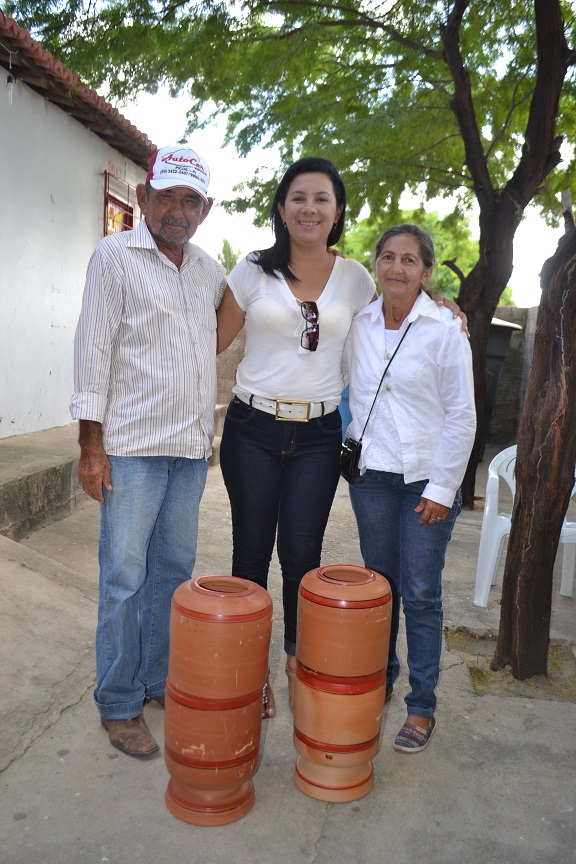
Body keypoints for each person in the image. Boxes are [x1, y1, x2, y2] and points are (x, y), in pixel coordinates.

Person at [215, 160, 462, 716]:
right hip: (252, 429)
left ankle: (296, 663)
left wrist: (445, 304)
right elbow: (210, 339)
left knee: (302, 555)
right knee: (250, 553)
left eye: (321, 198)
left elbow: (398, 312)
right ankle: (250, 674)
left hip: (321, 435)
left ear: (337, 211)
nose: (309, 208)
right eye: (297, 197)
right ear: (281, 208)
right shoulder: (252, 269)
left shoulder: (356, 278)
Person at [70, 145, 226, 757]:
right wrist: (91, 446)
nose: (177, 211)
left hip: (188, 451)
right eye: (166, 197)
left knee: (172, 573)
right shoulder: (114, 258)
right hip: (130, 448)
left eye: (191, 201)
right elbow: (92, 356)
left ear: (205, 209)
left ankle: (158, 679)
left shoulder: (210, 271)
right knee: (123, 578)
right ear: (143, 197)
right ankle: (117, 702)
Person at [346, 223, 476, 753]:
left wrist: (443, 488)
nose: (396, 267)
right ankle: (382, 679)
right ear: (376, 264)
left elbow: (462, 415)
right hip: (372, 477)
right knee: (381, 591)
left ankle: (422, 706)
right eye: (388, 257)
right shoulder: (359, 323)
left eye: (409, 260)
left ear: (426, 272)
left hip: (426, 480)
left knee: (420, 594)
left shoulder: (445, 328)